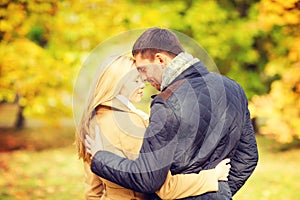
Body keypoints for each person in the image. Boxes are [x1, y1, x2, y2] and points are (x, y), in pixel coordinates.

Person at [86, 27, 259, 199]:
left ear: (160, 60)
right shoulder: (233, 88)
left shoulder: (166, 102)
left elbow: (149, 179)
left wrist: (100, 158)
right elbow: (248, 158)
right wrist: (219, 191)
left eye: (143, 70)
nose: (144, 79)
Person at [76, 55, 231, 200]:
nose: (143, 84)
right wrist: (212, 176)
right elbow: (163, 187)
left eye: (141, 79)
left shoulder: (92, 120)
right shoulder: (129, 124)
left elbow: (93, 191)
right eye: (135, 81)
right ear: (116, 86)